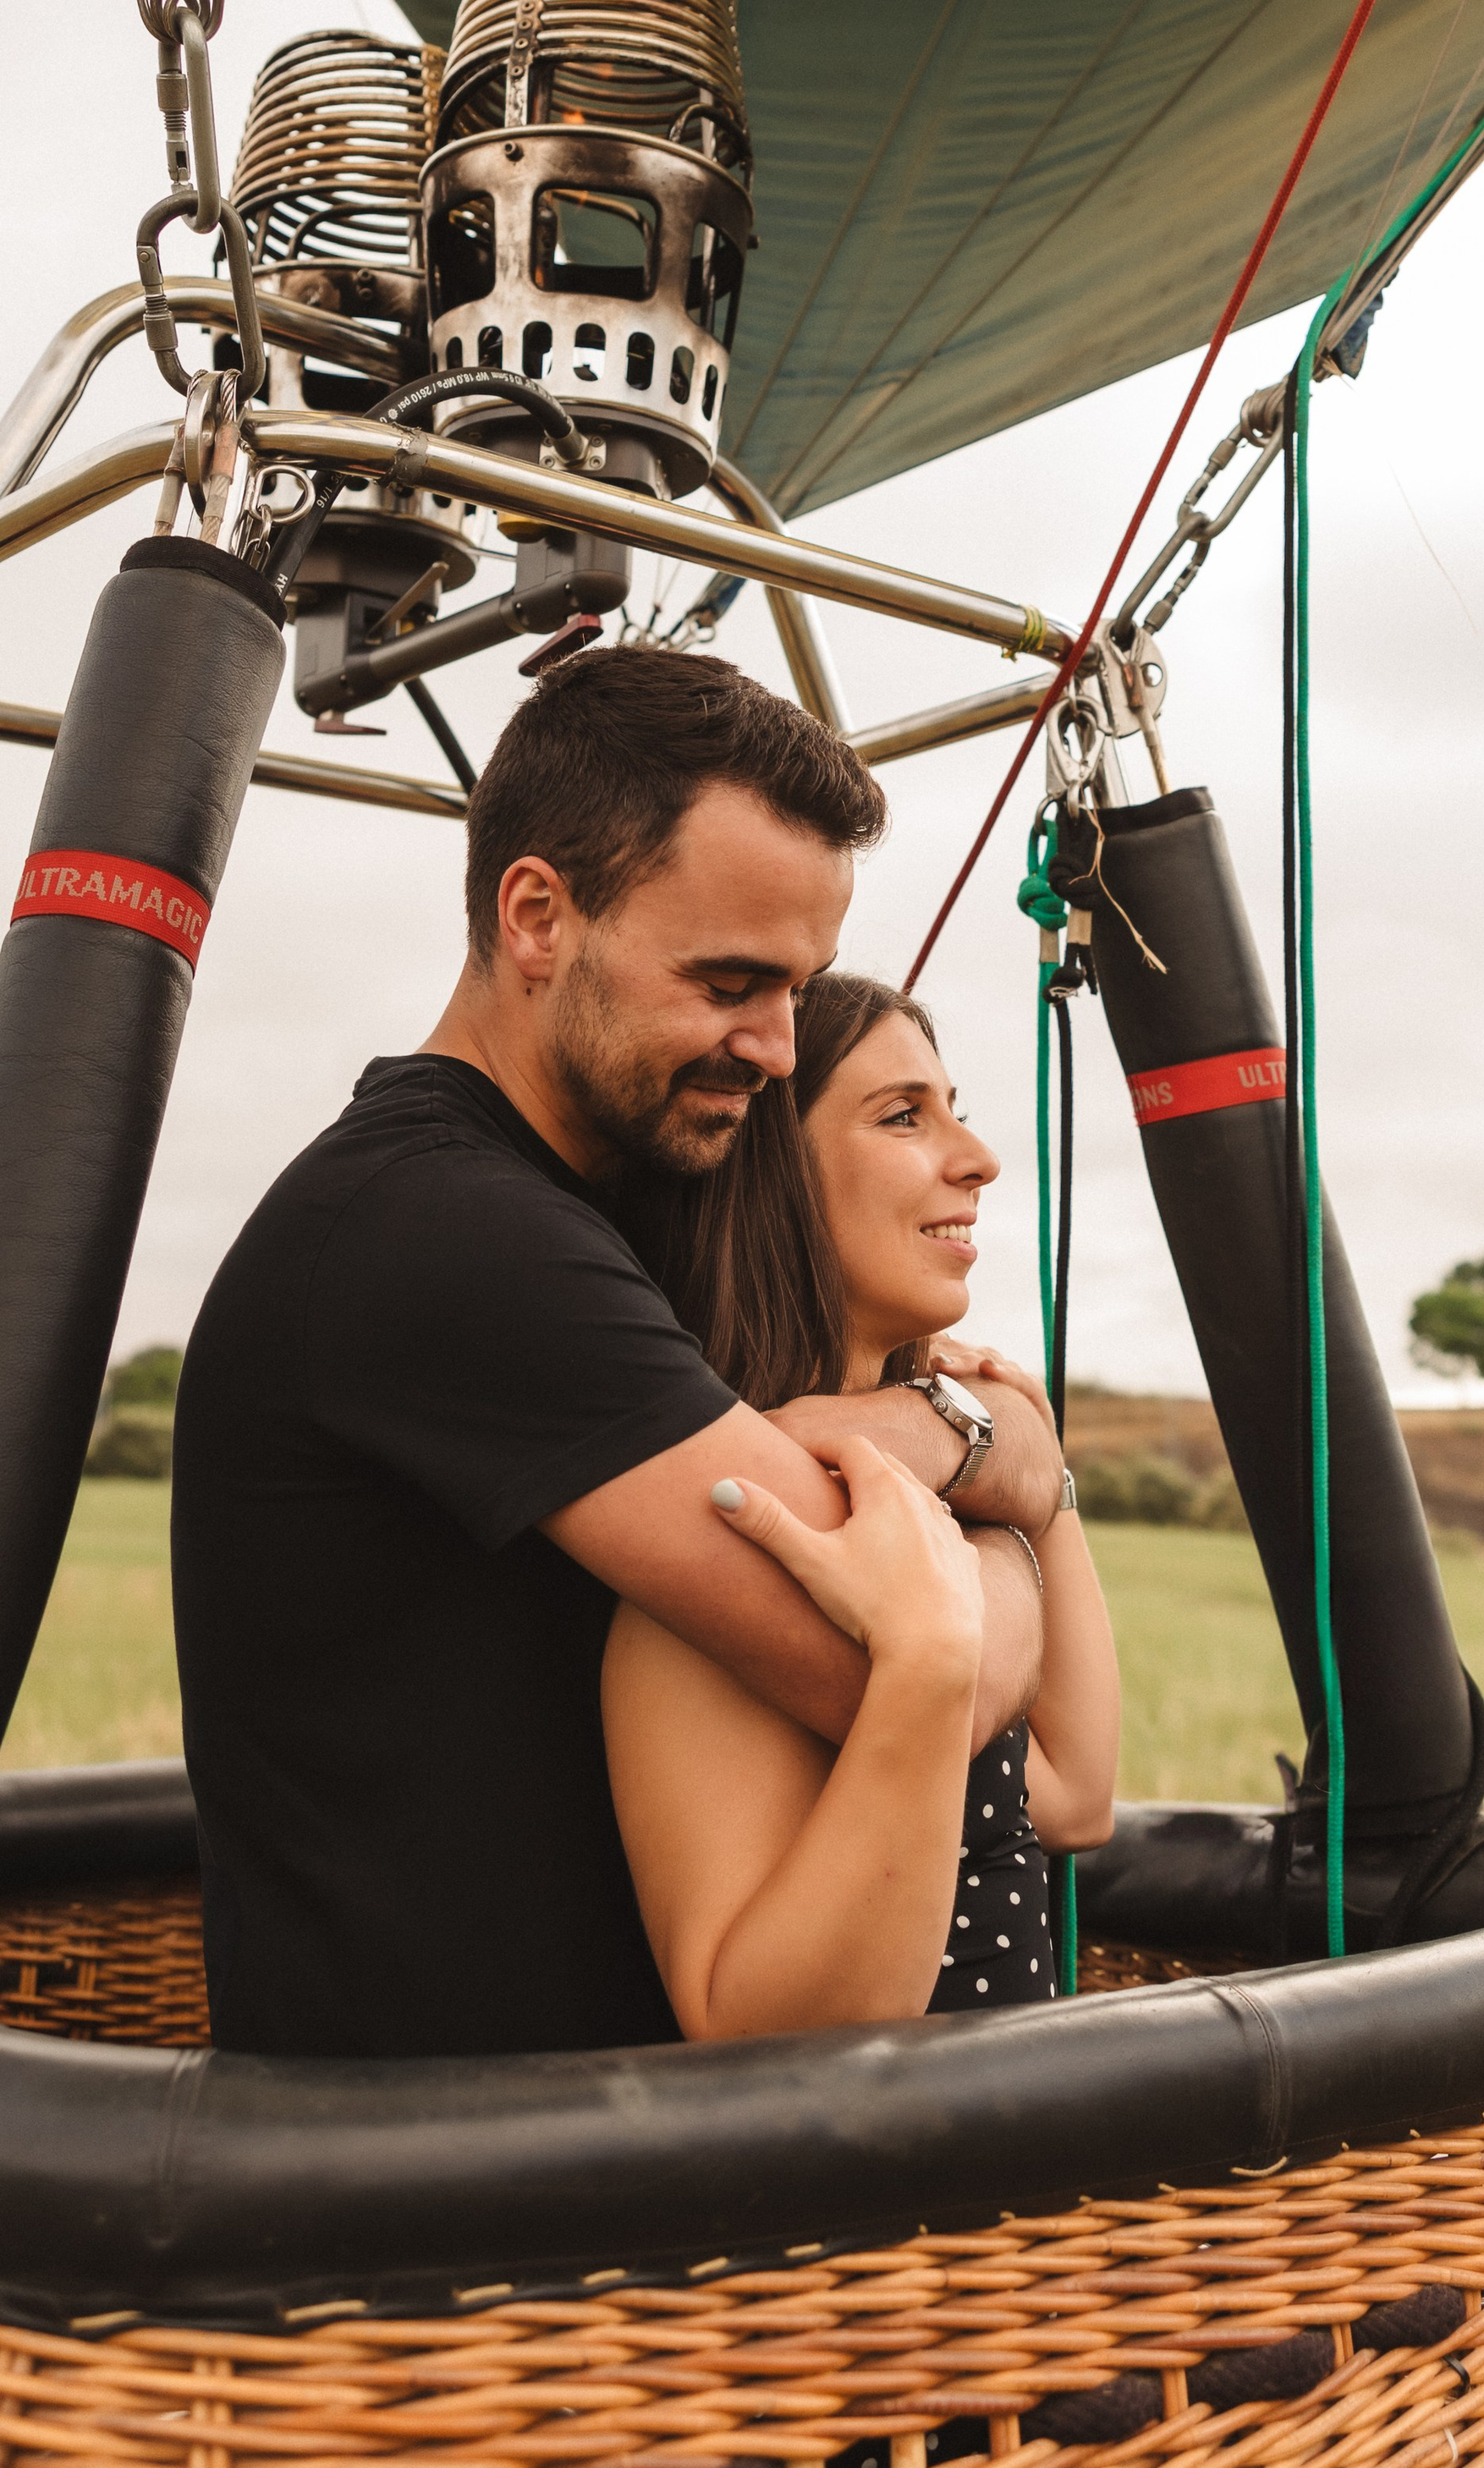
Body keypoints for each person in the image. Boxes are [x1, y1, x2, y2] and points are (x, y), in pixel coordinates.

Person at [172, 651, 1059, 2058]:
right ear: (539, 917)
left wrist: (963, 1447)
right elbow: (863, 1661)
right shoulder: (449, 1234)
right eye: (729, 981)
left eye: (799, 988)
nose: (775, 1046)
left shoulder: (598, 1205)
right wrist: (1015, 1510)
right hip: (449, 2213)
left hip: (596, 2170)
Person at [607, 975, 1120, 2037]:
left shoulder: (924, 1503)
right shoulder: (742, 1535)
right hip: (907, 2190)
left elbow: (1074, 1796)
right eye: (902, 1116)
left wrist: (1025, 1459)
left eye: (954, 1108)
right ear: (769, 1175)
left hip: (1021, 2177)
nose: (977, 1158)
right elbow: (747, 2022)